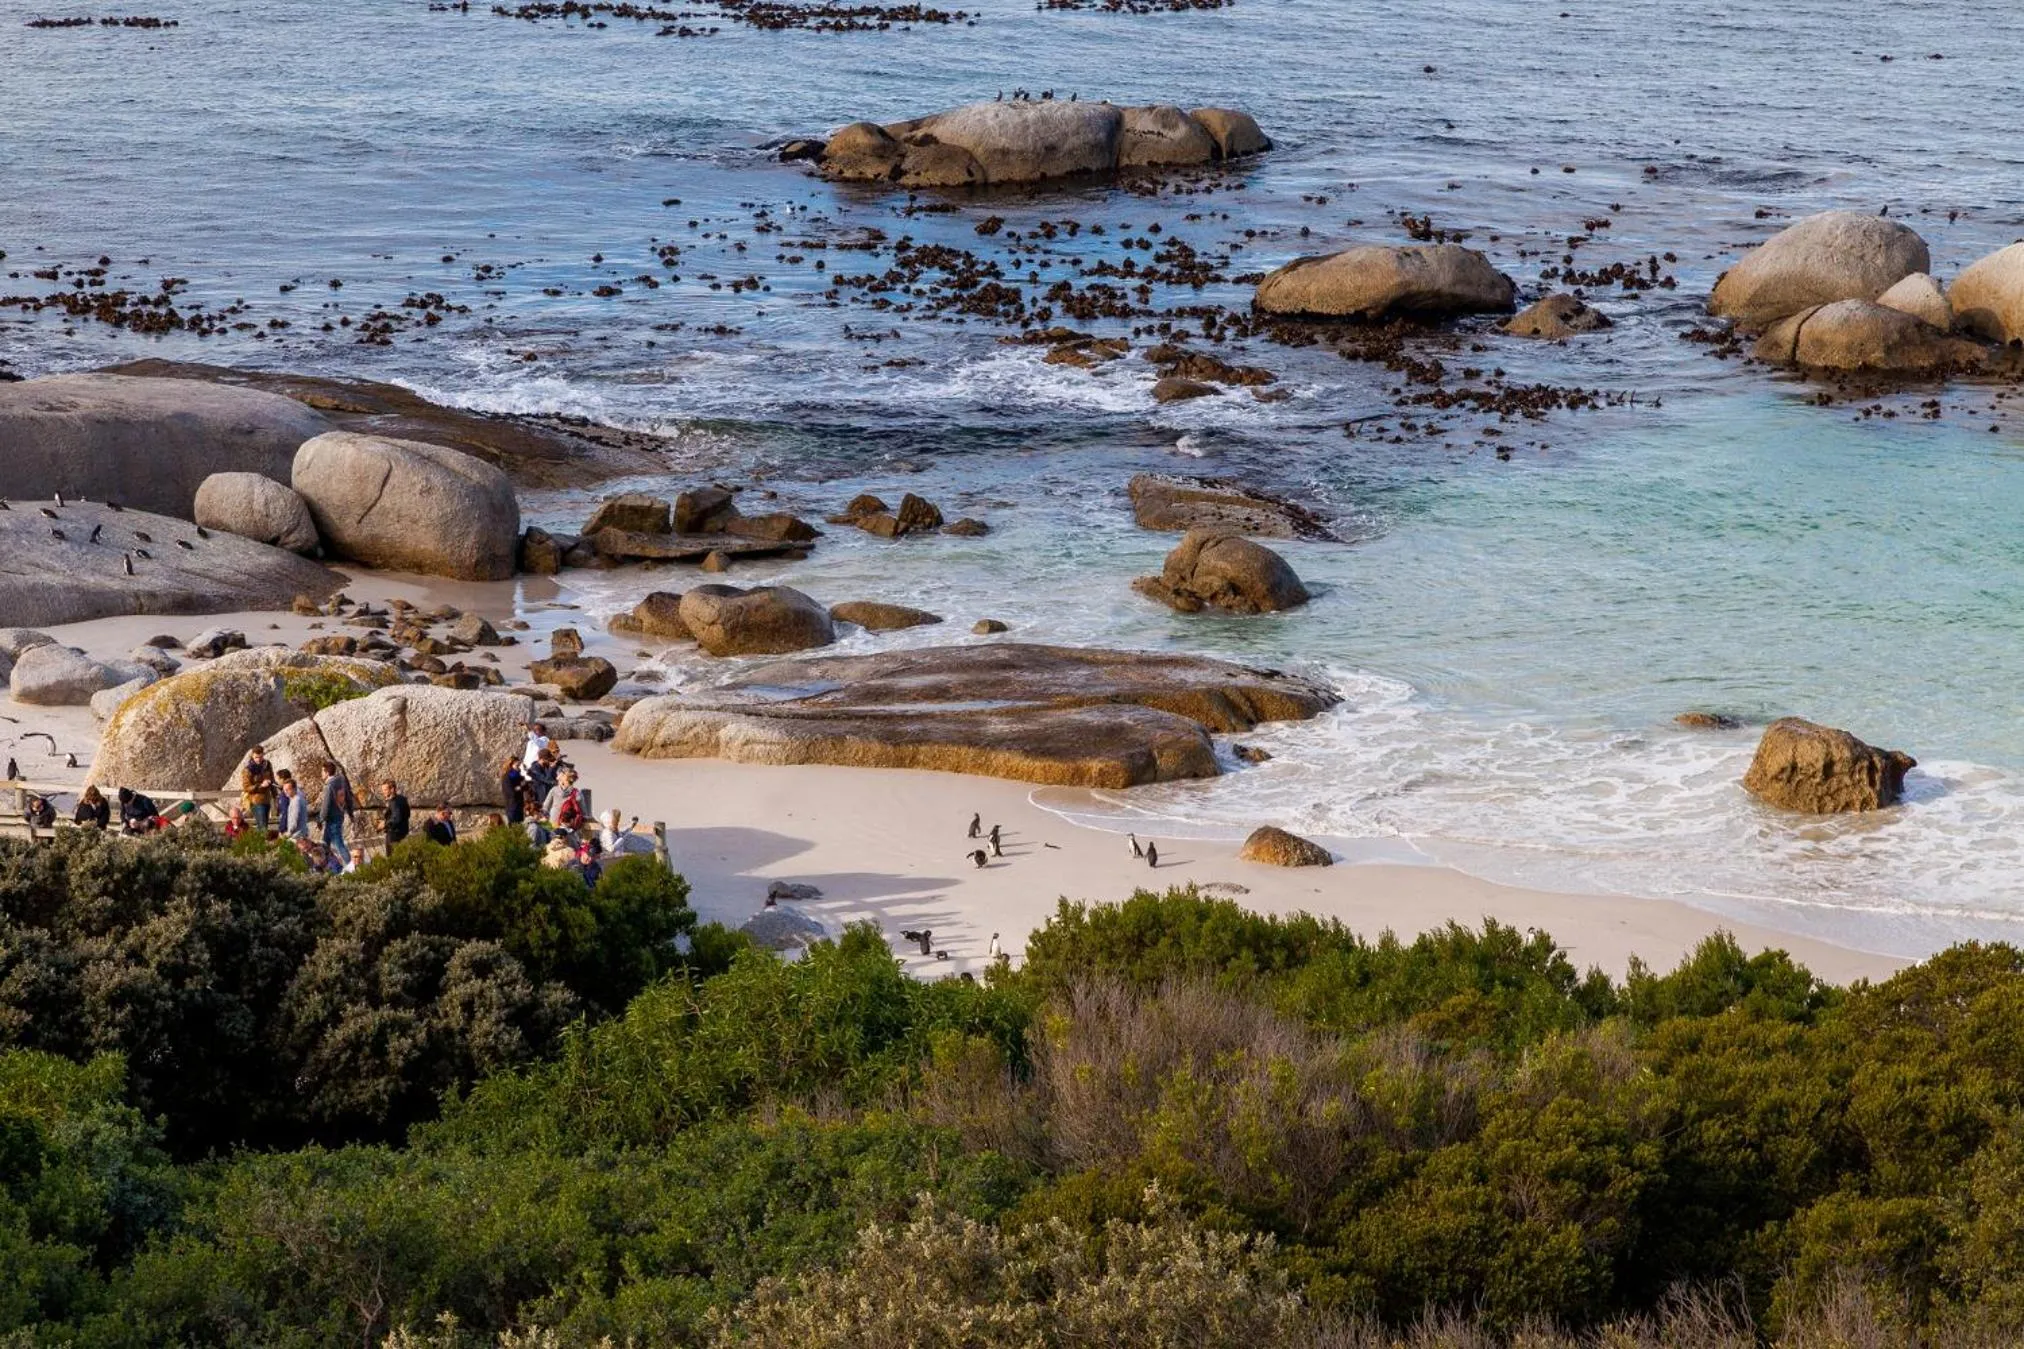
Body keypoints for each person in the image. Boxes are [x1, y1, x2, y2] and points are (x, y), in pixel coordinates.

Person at [319, 760, 357, 867]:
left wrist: (320, 819)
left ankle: (351, 867)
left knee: (339, 845)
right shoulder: (341, 782)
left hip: (332, 820)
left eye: (322, 771)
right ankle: (325, 866)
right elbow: (348, 797)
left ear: (327, 772)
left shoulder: (329, 786)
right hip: (339, 816)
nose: (321, 774)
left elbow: (325, 806)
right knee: (325, 844)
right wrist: (350, 812)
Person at [240, 745, 276, 833]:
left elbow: (272, 780)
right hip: (256, 801)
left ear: (263, 755)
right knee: (262, 827)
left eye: (260, 757)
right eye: (256, 757)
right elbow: (246, 787)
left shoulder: (267, 765)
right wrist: (261, 785)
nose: (258, 759)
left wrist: (275, 796)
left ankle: (261, 843)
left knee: (264, 826)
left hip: (267, 799)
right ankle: (262, 845)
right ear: (252, 755)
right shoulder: (248, 769)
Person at [276, 770, 308, 839]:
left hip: (297, 834)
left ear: (293, 789)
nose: (285, 792)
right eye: (284, 790)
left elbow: (294, 819)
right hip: (301, 832)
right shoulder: (298, 797)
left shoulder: (296, 801)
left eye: (287, 790)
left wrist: (288, 833)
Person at [381, 779, 411, 852]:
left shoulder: (394, 802)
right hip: (403, 834)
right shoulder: (402, 799)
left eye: (385, 790)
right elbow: (407, 814)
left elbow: (397, 818)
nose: (383, 792)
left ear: (392, 789)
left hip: (394, 836)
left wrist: (384, 824)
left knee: (392, 859)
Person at [501, 757, 526, 824]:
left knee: (520, 824)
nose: (519, 767)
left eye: (519, 765)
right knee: (513, 824)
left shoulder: (519, 776)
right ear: (511, 765)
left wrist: (522, 786)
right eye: (517, 765)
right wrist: (519, 788)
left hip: (519, 804)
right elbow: (510, 792)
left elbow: (524, 787)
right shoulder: (507, 777)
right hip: (512, 805)